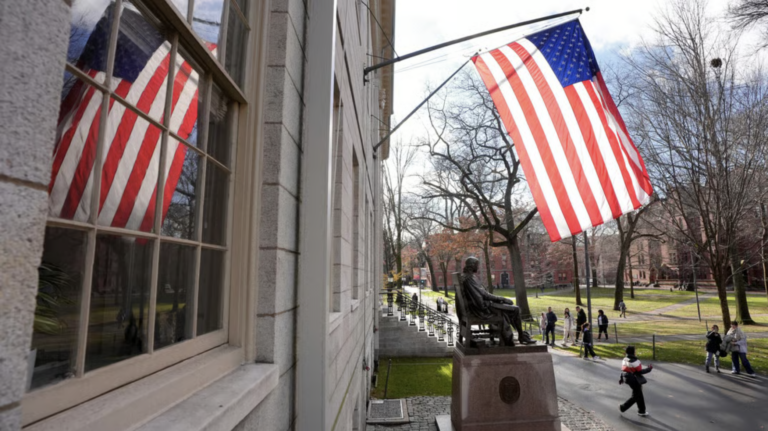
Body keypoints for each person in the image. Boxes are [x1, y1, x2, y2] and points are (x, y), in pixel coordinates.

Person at [460, 257, 534, 346]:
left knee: (509, 307)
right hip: (482, 309)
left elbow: (483, 293)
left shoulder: (467, 277)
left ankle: (517, 335)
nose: (478, 267)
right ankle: (520, 336)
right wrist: (501, 299)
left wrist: (500, 299)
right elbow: (483, 296)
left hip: (477, 307)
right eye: (477, 265)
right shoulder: (469, 279)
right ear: (472, 266)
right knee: (515, 309)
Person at [619, 345, 653, 417]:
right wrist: (649, 369)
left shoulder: (624, 359)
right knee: (635, 396)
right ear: (633, 352)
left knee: (639, 394)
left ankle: (642, 411)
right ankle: (623, 407)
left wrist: (621, 378)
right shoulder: (636, 361)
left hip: (626, 378)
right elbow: (640, 371)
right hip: (634, 379)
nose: (635, 352)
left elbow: (624, 369)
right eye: (635, 350)